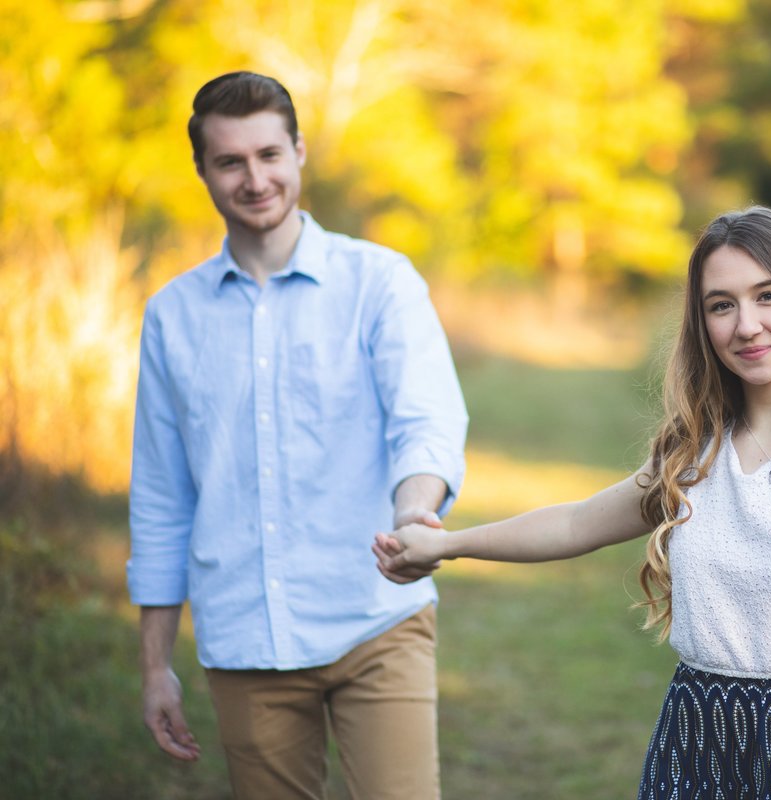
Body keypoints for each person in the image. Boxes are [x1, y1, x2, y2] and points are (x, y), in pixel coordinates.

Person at [374, 205, 771, 800]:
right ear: (702, 323)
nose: (746, 325)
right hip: (695, 746)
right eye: (721, 305)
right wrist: (447, 544)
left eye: (768, 296)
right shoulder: (696, 452)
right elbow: (575, 523)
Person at [128, 71, 467, 800]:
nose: (255, 180)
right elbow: (161, 498)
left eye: (269, 155)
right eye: (231, 161)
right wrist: (156, 665)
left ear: (299, 151)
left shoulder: (379, 281)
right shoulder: (171, 316)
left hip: (375, 618)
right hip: (245, 638)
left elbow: (427, 420)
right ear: (203, 170)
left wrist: (414, 509)